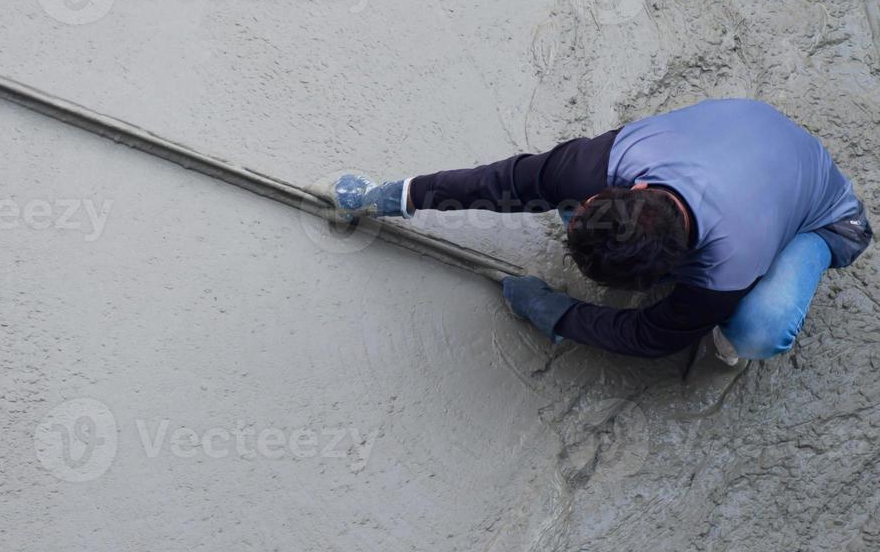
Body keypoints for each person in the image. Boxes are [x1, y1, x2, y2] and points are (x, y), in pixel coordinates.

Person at [329, 99, 871, 361]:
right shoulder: (592, 165)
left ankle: (739, 337)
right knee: (551, 195)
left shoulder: (725, 270)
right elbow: (500, 183)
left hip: (822, 216)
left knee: (758, 328)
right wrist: (397, 196)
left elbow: (653, 336)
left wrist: (556, 313)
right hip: (753, 140)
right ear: (619, 191)